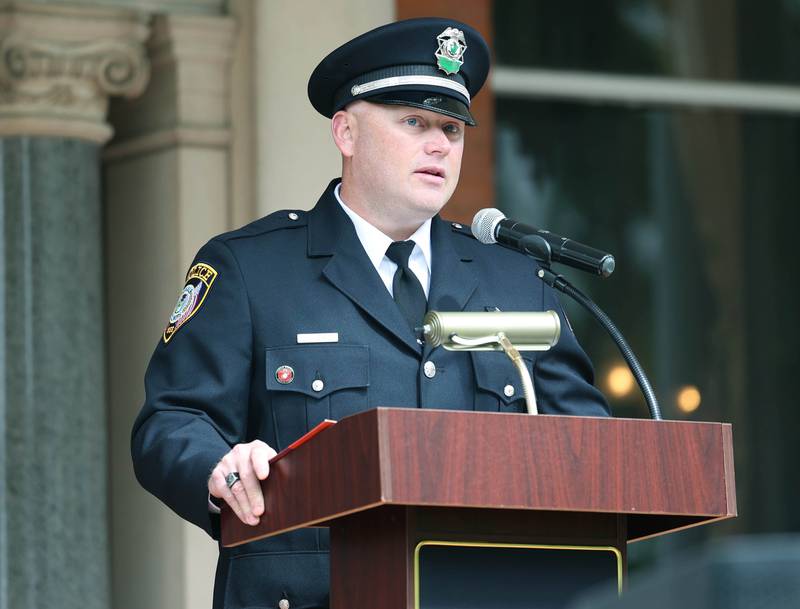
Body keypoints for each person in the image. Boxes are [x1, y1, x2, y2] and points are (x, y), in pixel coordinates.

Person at [131, 17, 610, 609]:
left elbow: (591, 452)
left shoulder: (516, 280)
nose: (440, 144)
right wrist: (217, 466)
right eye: (414, 122)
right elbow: (171, 420)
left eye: (452, 129)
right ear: (346, 133)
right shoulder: (252, 270)